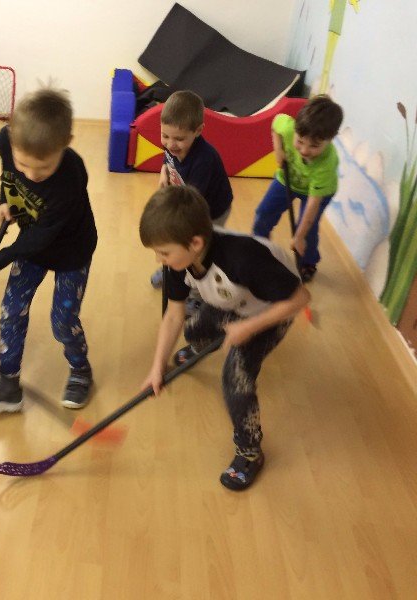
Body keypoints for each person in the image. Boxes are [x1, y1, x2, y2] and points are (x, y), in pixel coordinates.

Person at [139, 185, 310, 490]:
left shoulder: (244, 258)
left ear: (195, 243)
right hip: (233, 302)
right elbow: (174, 315)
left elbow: (300, 299)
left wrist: (249, 327)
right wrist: (157, 366)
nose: (158, 260)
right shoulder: (179, 260)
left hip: (272, 309)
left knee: (235, 380)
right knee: (192, 330)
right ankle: (205, 345)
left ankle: (250, 451)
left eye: (163, 253)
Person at [0, 87, 98, 414]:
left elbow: (39, 238)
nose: (32, 175)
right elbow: (9, 170)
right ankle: (9, 385)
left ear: (66, 143)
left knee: (62, 320)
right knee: (12, 310)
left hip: (70, 251)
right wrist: (5, 198)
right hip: (33, 242)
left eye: (43, 168)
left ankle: (80, 370)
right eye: (24, 163)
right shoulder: (6, 140)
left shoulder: (70, 176)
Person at [252, 95, 344, 282]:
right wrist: (278, 149)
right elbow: (276, 123)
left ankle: (307, 262)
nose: (304, 150)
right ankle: (260, 248)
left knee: (307, 230)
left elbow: (312, 204)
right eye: (300, 141)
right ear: (295, 129)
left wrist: (299, 237)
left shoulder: (327, 163)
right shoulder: (288, 128)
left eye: (314, 146)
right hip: (287, 179)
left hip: (317, 193)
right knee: (264, 212)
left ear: (331, 138)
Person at [150, 90, 233, 294]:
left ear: (198, 131)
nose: (170, 144)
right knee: (180, 242)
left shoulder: (204, 160)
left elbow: (192, 203)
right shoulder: (172, 146)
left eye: (179, 138)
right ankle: (175, 267)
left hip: (211, 211)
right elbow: (167, 159)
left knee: (200, 251)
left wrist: (170, 215)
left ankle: (199, 292)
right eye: (165, 136)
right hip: (188, 200)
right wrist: (163, 172)